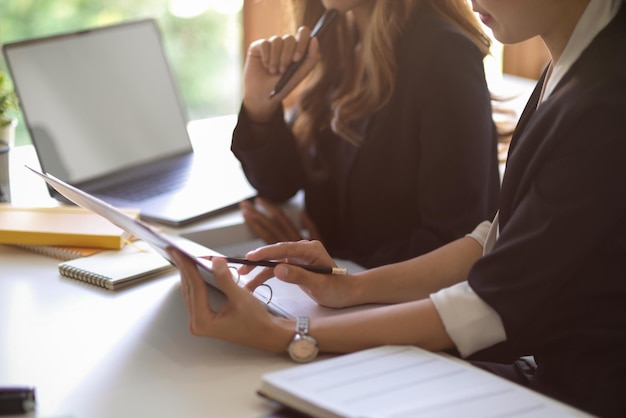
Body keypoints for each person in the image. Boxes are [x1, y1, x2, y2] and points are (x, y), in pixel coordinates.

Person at [169, 0, 626, 416]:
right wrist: (349, 288)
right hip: (550, 368)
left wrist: (292, 334)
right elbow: (495, 240)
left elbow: (494, 304)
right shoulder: (570, 64)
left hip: (580, 394)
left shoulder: (603, 97)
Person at [231, 0, 500, 268]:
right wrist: (260, 110)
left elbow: (454, 242)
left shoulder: (444, 54)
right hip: (343, 293)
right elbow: (281, 185)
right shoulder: (334, 40)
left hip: (399, 303)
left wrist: (334, 270)